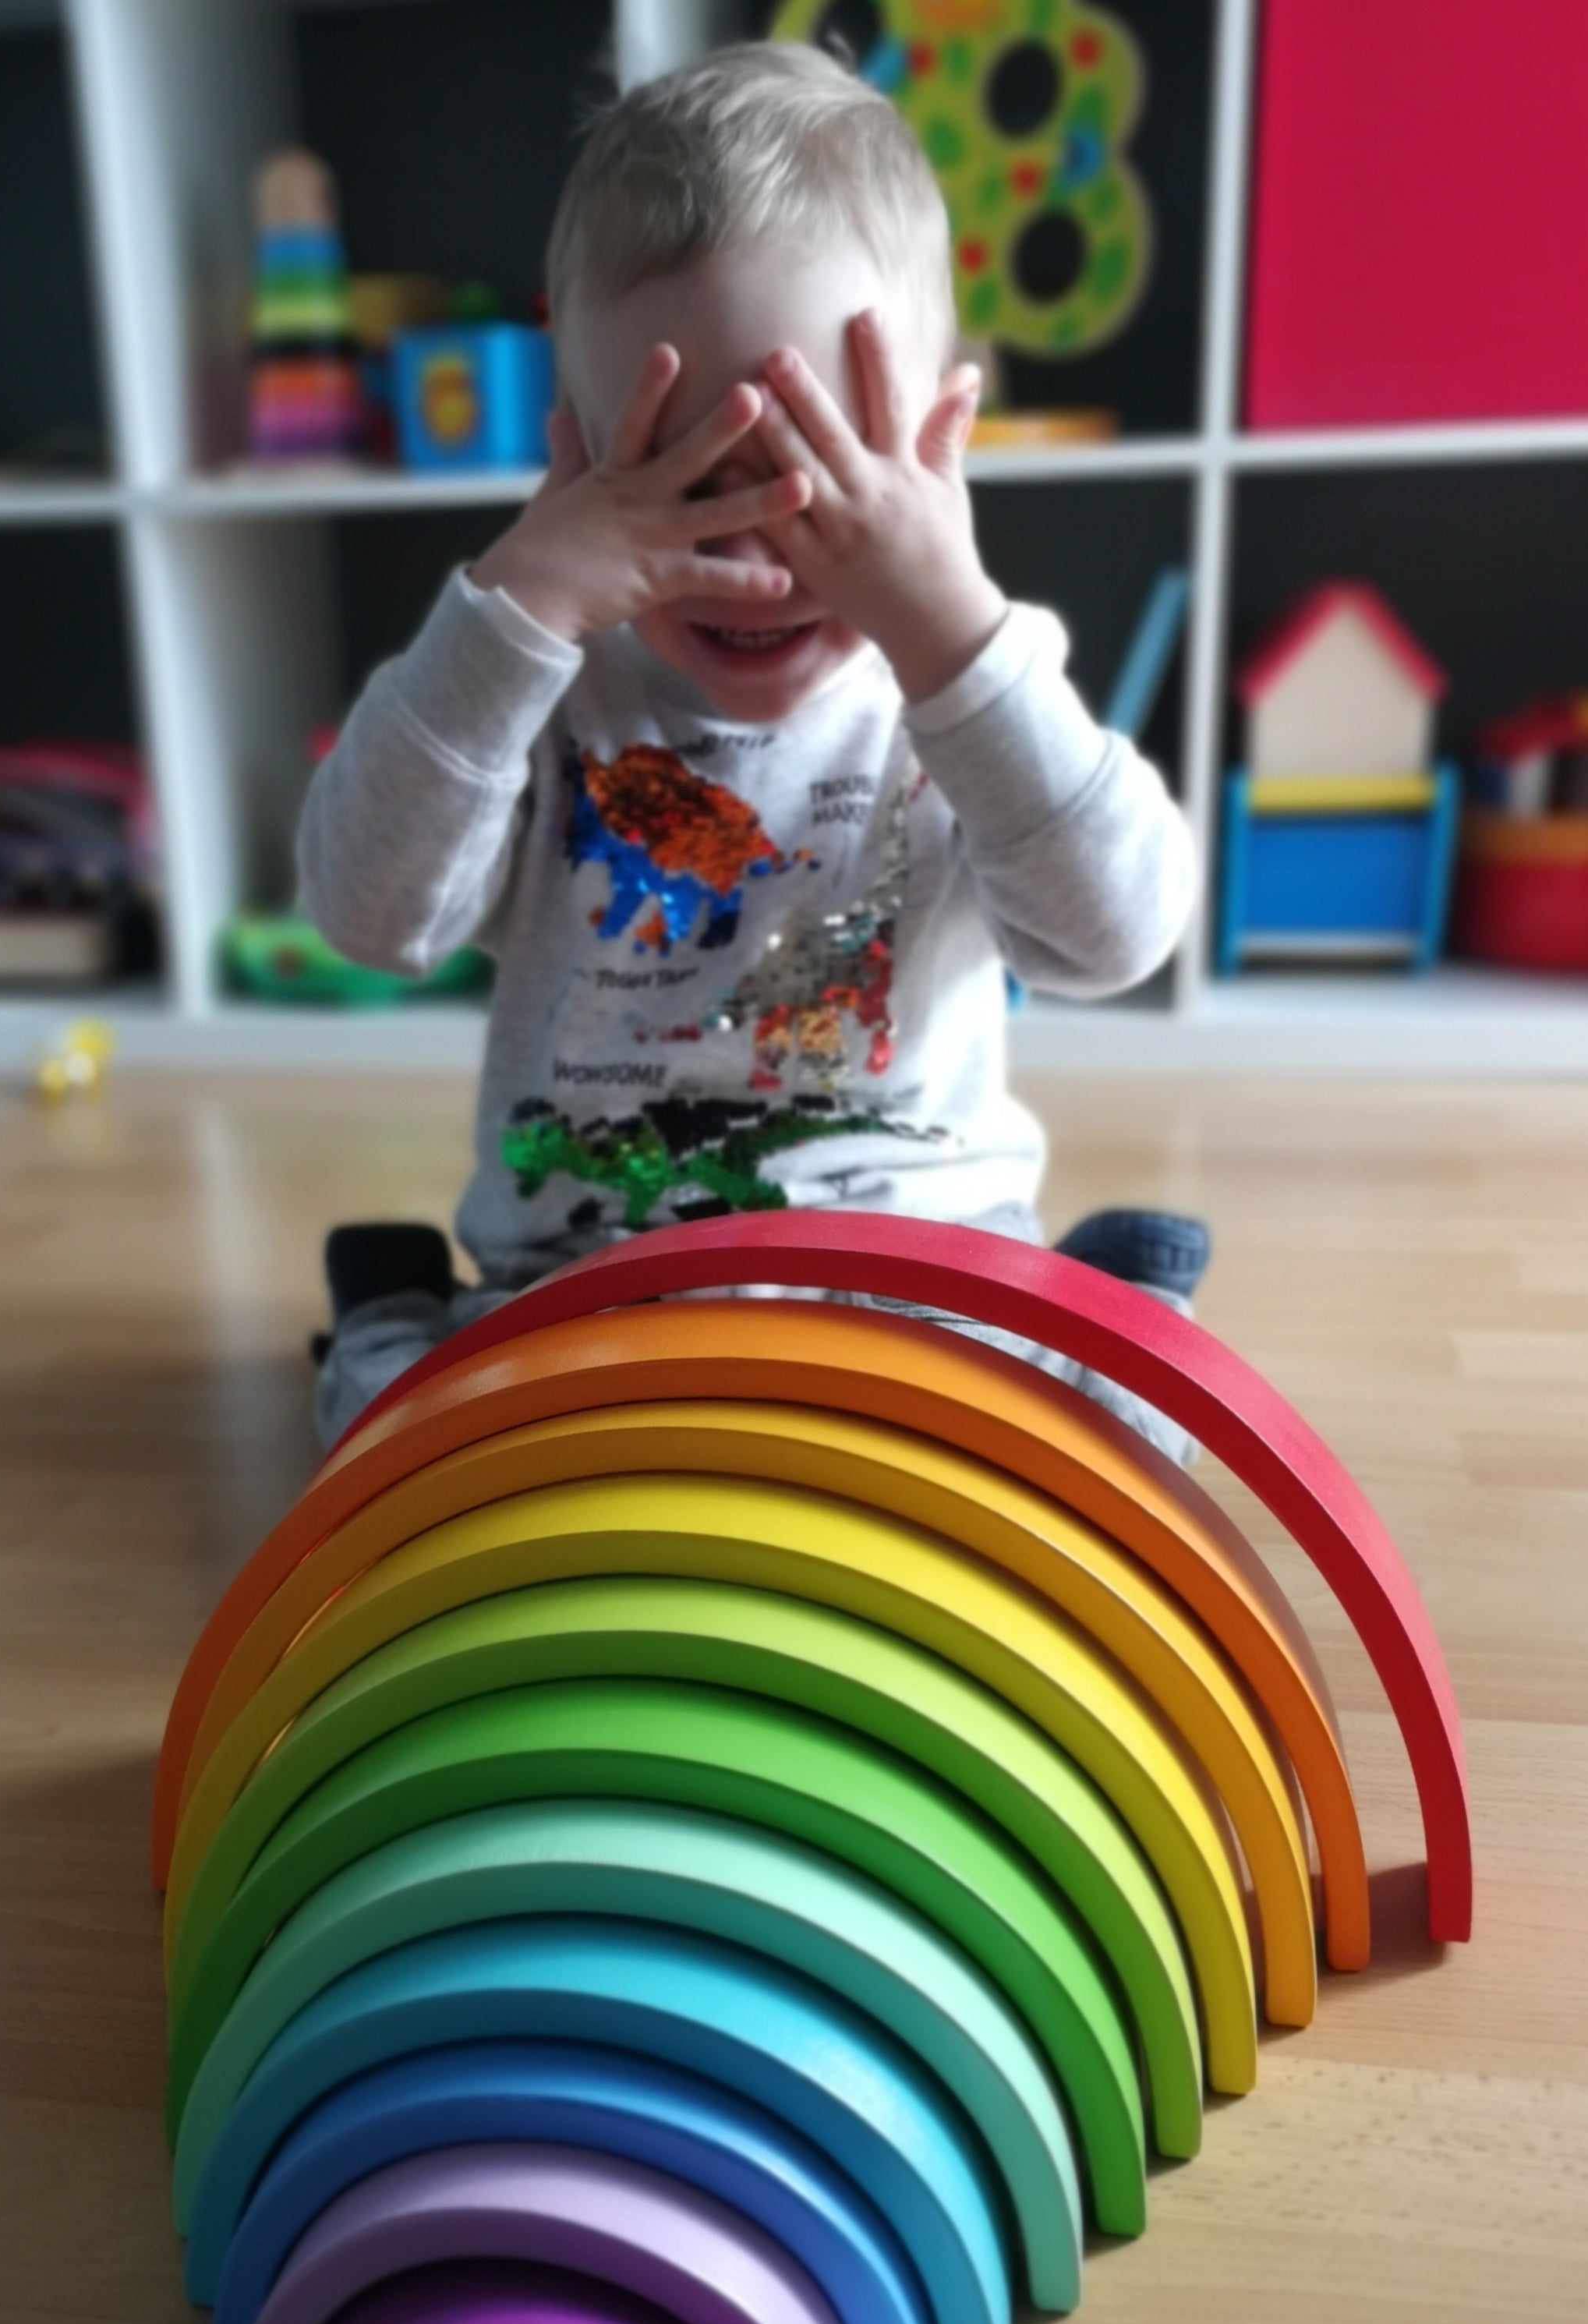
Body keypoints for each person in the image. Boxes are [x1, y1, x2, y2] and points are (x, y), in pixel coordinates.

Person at [300, 40, 1208, 1455]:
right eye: (673, 483)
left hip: (927, 1291)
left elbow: (1120, 935)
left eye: (817, 483)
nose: (750, 557)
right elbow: (364, 913)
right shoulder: (534, 686)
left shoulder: (964, 678)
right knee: (389, 1448)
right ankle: (391, 1314)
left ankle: (1099, 1297)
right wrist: (516, 608)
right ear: (569, 466)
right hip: (588, 1303)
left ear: (938, 453)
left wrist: (952, 630)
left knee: (1135, 1442)